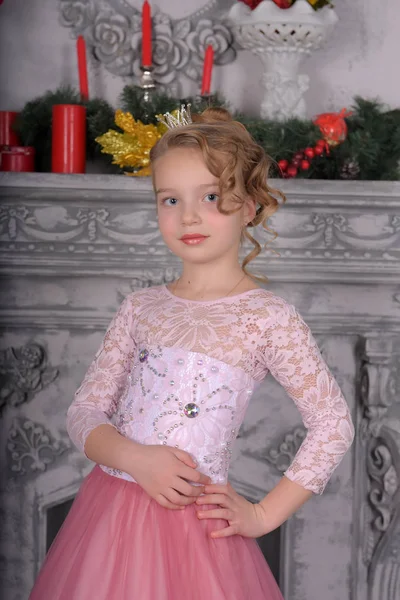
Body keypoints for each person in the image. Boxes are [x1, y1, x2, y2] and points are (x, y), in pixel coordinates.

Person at [29, 106, 355, 600]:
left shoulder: (268, 318)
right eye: (170, 199)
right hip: (107, 519)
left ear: (248, 205)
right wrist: (135, 458)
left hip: (195, 531)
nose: (188, 216)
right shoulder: (141, 309)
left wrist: (263, 514)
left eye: (211, 196)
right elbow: (85, 411)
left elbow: (333, 423)